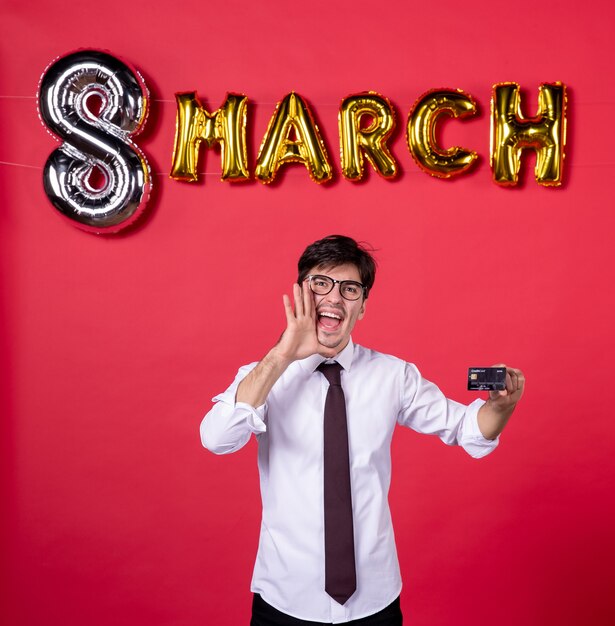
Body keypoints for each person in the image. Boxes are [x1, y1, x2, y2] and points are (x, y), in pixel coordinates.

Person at [201, 235, 525, 626]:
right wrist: (283, 354)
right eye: (321, 284)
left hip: (374, 601)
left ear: (363, 306)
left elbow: (467, 430)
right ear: (301, 293)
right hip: (285, 598)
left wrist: (499, 407)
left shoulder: (394, 376)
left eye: (350, 289)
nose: (335, 298)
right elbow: (217, 438)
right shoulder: (264, 376)